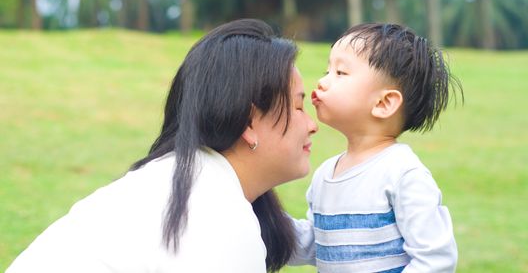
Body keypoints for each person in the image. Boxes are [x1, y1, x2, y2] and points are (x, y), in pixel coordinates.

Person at [7, 19, 318, 273]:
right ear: (250, 124)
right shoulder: (218, 218)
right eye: (299, 107)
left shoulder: (190, 181)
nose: (312, 125)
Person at [290, 23, 461, 272]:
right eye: (327, 70)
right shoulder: (325, 174)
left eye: (340, 73)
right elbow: (316, 243)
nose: (322, 82)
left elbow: (437, 259)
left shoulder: (402, 174)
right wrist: (263, 217)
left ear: (383, 103)